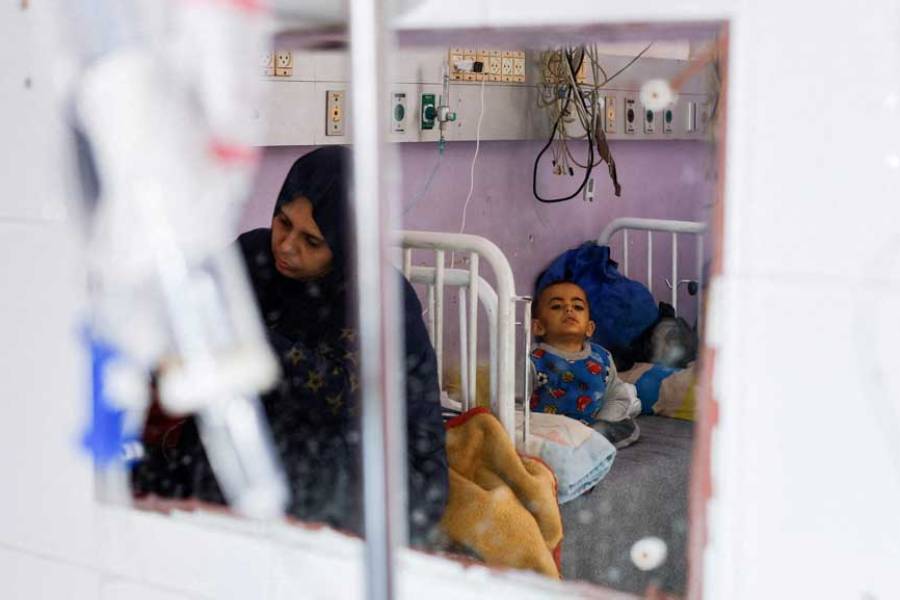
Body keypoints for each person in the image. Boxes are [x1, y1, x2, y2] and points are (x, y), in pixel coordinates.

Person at [132, 146, 449, 547]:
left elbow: (341, 398)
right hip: (270, 441)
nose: (285, 245)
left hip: (382, 469)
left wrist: (246, 343)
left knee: (262, 457)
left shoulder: (380, 301)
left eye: (312, 241)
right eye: (283, 222)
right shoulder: (252, 257)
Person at [529, 280, 641, 448]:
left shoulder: (601, 357)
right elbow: (516, 406)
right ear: (538, 327)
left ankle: (593, 441)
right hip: (549, 432)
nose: (569, 309)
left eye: (578, 307)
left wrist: (602, 422)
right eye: (557, 306)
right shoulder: (534, 359)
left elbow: (616, 395)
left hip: (592, 429)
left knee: (626, 425)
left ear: (589, 328)